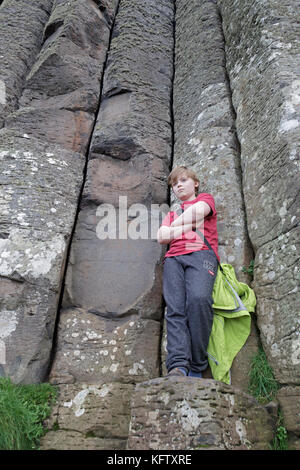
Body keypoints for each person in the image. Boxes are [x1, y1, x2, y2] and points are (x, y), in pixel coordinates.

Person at [156, 166, 219, 378]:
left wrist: (174, 227)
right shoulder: (172, 212)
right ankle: (178, 366)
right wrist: (187, 225)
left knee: (199, 300)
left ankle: (197, 363)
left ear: (196, 183)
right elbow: (162, 237)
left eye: (183, 180)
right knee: (175, 310)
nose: (179, 185)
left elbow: (197, 212)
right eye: (175, 184)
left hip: (201, 255)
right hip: (173, 259)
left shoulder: (206, 199)